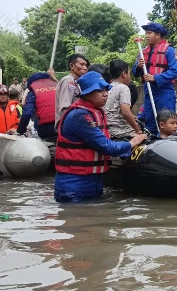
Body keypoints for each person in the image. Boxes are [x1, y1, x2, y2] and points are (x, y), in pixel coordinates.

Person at [54, 71, 148, 202]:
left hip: (93, 182)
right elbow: (106, 146)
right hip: (73, 186)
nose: (105, 94)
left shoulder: (96, 112)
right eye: (99, 90)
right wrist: (133, 142)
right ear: (86, 94)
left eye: (105, 89)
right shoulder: (79, 116)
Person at [132, 22, 177, 135]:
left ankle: (168, 145)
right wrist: (138, 66)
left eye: (149, 33)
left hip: (164, 92)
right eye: (146, 33)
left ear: (158, 35)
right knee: (150, 122)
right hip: (149, 92)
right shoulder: (143, 52)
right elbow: (134, 72)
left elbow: (174, 72)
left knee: (166, 121)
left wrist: (155, 78)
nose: (146, 36)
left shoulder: (170, 51)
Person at [104, 60, 143, 139]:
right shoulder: (124, 88)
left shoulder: (108, 88)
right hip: (122, 131)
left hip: (108, 131)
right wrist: (138, 130)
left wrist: (131, 116)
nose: (130, 76)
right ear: (124, 74)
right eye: (129, 73)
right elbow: (126, 112)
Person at [17, 72, 58, 141]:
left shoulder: (33, 92)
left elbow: (27, 113)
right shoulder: (57, 86)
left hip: (46, 129)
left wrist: (21, 130)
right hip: (64, 125)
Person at [55, 54, 90, 131]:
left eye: (86, 65)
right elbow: (65, 108)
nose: (85, 68)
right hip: (69, 127)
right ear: (72, 66)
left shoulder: (76, 82)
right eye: (82, 64)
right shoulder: (69, 81)